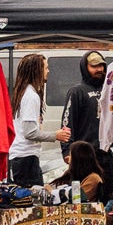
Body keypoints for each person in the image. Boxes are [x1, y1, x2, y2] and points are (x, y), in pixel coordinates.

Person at [5, 53, 66, 185]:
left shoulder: (23, 93)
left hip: (21, 157)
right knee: (31, 200)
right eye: (45, 68)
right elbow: (30, 132)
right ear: (36, 70)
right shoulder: (31, 96)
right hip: (26, 159)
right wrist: (55, 135)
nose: (48, 71)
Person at [60, 51, 107, 162]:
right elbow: (67, 123)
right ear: (85, 68)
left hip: (105, 153)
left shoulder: (108, 90)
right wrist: (67, 151)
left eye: (101, 65)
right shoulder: (76, 92)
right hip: (83, 154)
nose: (99, 69)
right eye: (94, 66)